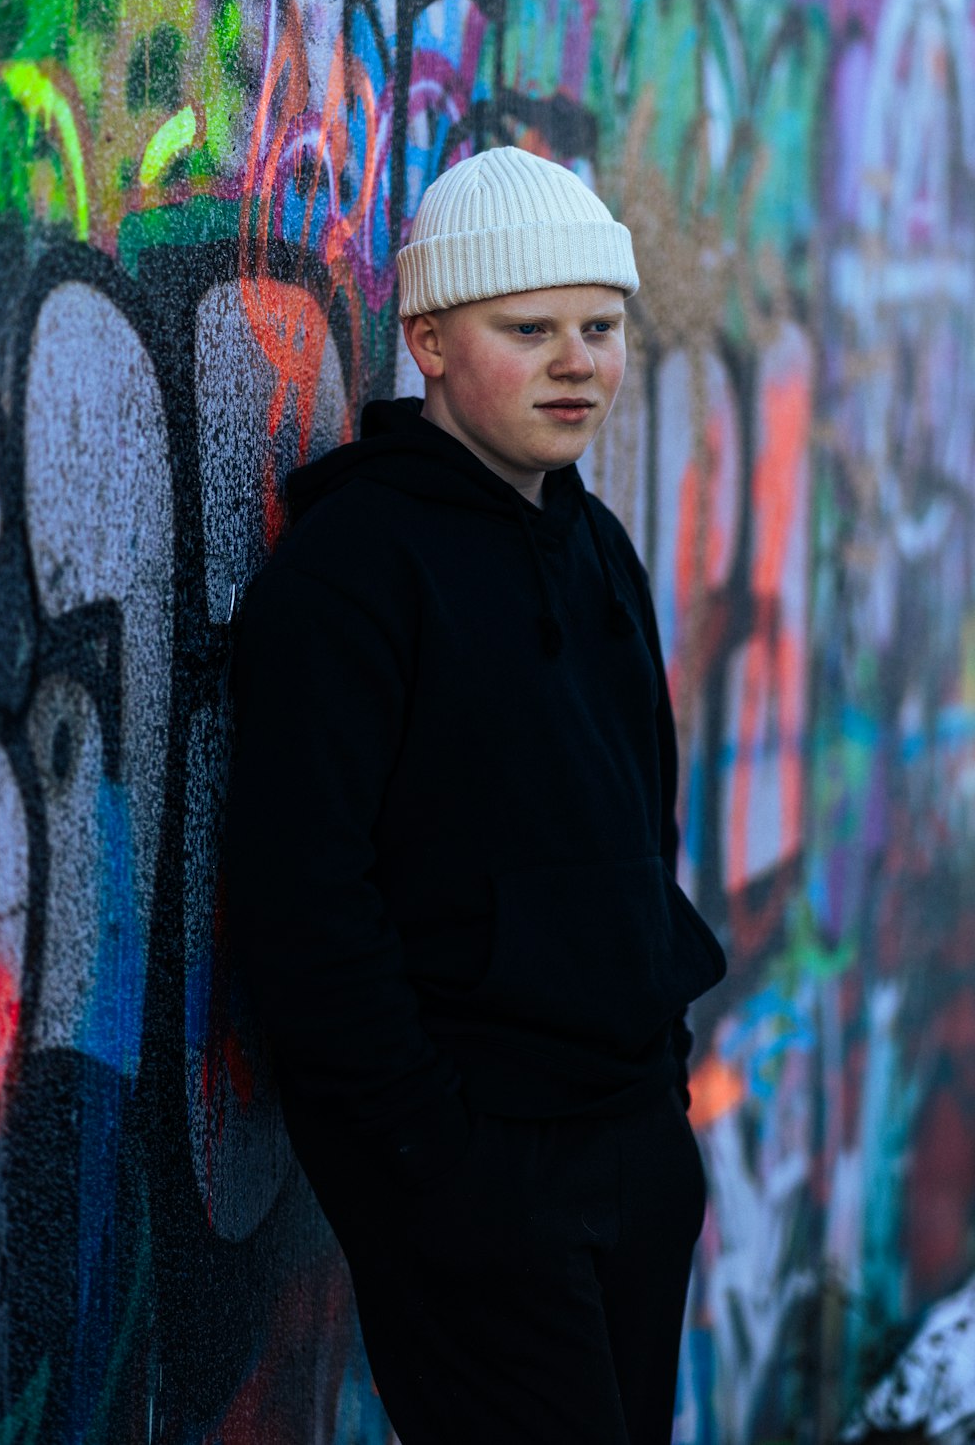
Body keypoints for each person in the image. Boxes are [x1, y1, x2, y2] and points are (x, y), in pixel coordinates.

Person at [225, 145, 726, 1445]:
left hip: (631, 1141)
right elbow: (305, 908)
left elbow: (641, 814)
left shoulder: (594, 543)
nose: (579, 362)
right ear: (432, 341)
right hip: (476, 1169)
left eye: (601, 329)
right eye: (531, 329)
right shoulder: (348, 576)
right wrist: (436, 1171)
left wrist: (660, 1108)